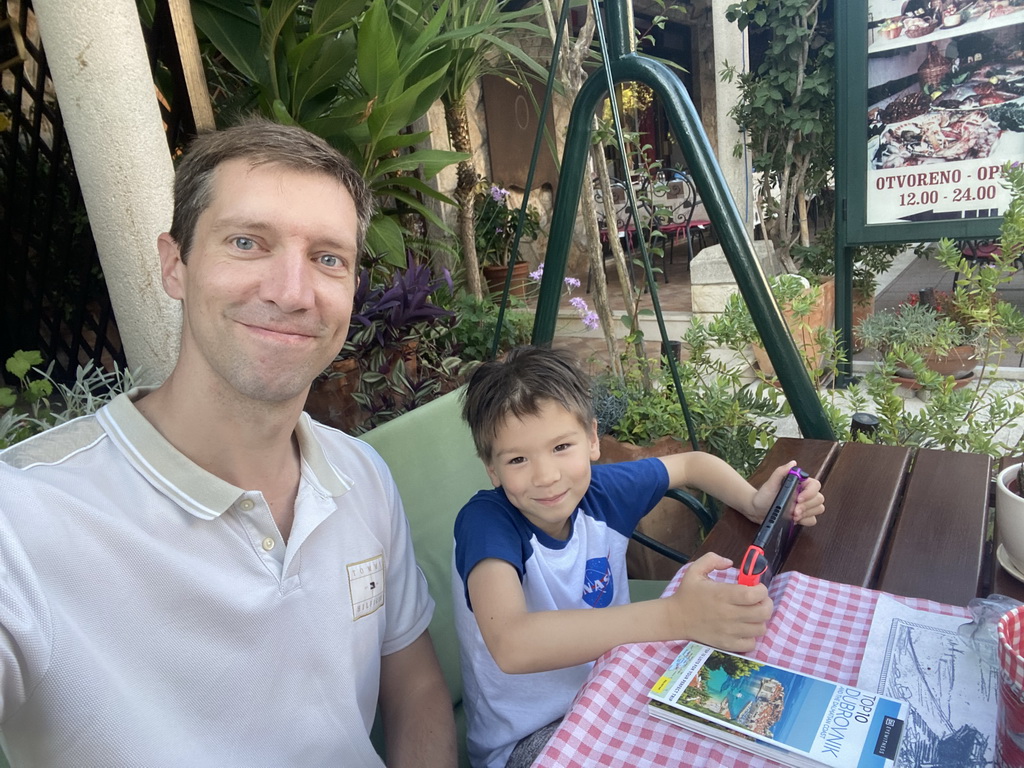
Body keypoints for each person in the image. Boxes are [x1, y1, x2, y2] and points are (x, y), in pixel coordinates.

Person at [0, 118, 456, 767]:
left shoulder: (360, 477)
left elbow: (415, 687)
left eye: (328, 258)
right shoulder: (25, 519)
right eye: (247, 242)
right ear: (175, 265)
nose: (292, 293)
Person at [452, 346, 825, 768]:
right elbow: (512, 644)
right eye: (517, 459)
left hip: (618, 685)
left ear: (592, 439)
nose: (546, 475)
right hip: (531, 738)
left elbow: (692, 464)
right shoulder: (485, 522)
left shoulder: (602, 492)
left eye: (561, 446)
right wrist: (675, 616)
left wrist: (754, 502)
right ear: (492, 469)